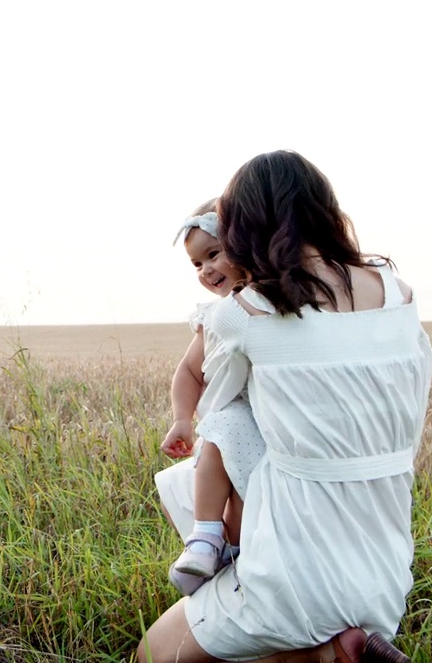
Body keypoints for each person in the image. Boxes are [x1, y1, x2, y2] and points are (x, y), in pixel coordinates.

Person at [138, 150, 432, 663]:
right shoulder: (398, 293)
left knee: (152, 655)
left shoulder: (248, 311)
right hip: (384, 563)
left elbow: (218, 408)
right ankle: (344, 641)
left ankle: (320, 643)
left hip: (290, 566)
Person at [157, 199, 268, 596]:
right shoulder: (212, 316)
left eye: (214, 254)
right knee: (221, 443)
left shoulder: (271, 303)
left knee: (243, 494)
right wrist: (182, 419)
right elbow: (188, 371)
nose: (206, 270)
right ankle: (204, 539)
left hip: (271, 422)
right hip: (231, 417)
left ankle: (233, 550)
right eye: (196, 264)